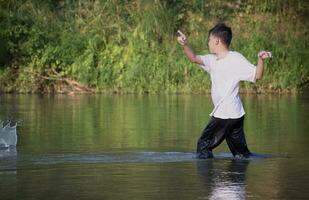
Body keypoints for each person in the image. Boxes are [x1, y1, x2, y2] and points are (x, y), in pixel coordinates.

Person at [177, 23, 272, 159]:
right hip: (236, 115)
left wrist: (260, 60)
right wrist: (185, 44)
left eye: (209, 40)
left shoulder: (236, 59)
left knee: (203, 146)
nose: (208, 43)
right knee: (241, 154)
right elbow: (193, 58)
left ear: (217, 41)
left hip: (225, 114)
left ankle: (209, 180)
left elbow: (257, 75)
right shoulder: (212, 60)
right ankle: (236, 181)